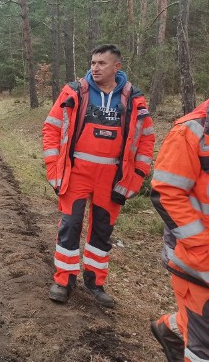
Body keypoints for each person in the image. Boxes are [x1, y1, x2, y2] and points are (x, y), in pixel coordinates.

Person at [42, 44, 155, 307]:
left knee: (103, 231)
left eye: (102, 63)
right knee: (70, 226)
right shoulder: (75, 92)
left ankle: (95, 282)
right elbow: (51, 127)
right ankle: (63, 280)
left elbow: (146, 142)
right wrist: (53, 167)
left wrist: (135, 178)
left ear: (117, 67)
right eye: (93, 62)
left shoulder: (134, 99)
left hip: (112, 177)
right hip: (77, 173)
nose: (95, 68)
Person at [150, 99, 209, 362]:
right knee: (203, 348)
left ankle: (171, 329)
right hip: (197, 259)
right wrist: (202, 247)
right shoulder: (191, 131)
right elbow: (167, 193)